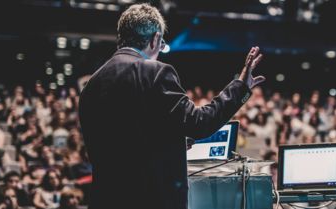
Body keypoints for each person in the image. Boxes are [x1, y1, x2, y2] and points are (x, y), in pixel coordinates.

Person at [78, 3, 265, 209]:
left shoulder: (92, 85)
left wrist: (170, 140)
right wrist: (240, 86)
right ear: (156, 38)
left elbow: (121, 139)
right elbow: (200, 123)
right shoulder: (155, 72)